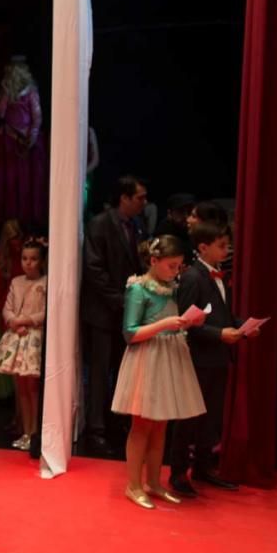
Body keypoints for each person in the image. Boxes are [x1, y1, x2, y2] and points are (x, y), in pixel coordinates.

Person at [111, 236, 206, 509]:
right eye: (171, 266)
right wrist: (164, 324)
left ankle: (153, 481)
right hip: (146, 358)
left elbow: (172, 324)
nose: (175, 272)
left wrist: (187, 322)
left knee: (161, 424)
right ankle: (133, 484)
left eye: (178, 267)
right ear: (154, 261)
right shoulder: (138, 289)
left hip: (168, 356)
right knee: (141, 425)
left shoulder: (171, 287)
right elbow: (130, 333)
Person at [170, 221, 245, 496]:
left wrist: (242, 326)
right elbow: (186, 321)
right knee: (189, 417)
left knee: (211, 417)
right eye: (222, 245)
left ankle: (202, 467)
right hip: (199, 358)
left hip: (217, 357)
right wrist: (219, 334)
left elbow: (221, 316)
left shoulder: (217, 276)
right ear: (203, 247)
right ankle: (178, 473)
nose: (227, 250)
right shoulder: (192, 277)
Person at [80, 175, 149, 457]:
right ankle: (96, 428)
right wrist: (120, 301)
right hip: (103, 312)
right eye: (139, 198)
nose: (143, 203)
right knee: (99, 372)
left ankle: (117, 421)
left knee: (123, 371)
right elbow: (94, 270)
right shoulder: (99, 224)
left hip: (126, 311)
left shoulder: (137, 225)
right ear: (124, 198)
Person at [0, 239, 47, 451]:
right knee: (20, 387)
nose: (28, 263)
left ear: (41, 261)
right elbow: (7, 307)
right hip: (17, 336)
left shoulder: (45, 283)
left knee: (32, 387)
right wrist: (12, 321)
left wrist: (25, 321)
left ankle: (34, 432)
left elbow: (44, 312)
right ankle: (25, 431)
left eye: (33, 259)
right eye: (24, 259)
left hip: (33, 338)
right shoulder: (16, 281)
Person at [0, 58, 49, 227]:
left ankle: (15, 222)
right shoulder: (31, 91)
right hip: (23, 141)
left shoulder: (14, 91)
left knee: (11, 181)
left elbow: (0, 114)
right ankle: (20, 223)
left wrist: (4, 97)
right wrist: (31, 138)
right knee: (21, 181)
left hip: (12, 141)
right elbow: (37, 117)